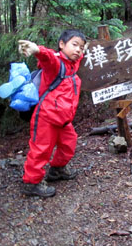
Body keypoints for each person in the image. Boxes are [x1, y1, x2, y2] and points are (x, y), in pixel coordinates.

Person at [17, 29, 87, 197]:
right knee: (41, 149)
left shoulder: (72, 65)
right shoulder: (56, 64)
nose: (78, 50)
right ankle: (31, 183)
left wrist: (84, 49)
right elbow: (46, 57)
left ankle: (57, 170)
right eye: (74, 45)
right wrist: (36, 50)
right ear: (62, 45)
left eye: (81, 47)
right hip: (46, 117)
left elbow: (78, 57)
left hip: (63, 119)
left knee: (69, 143)